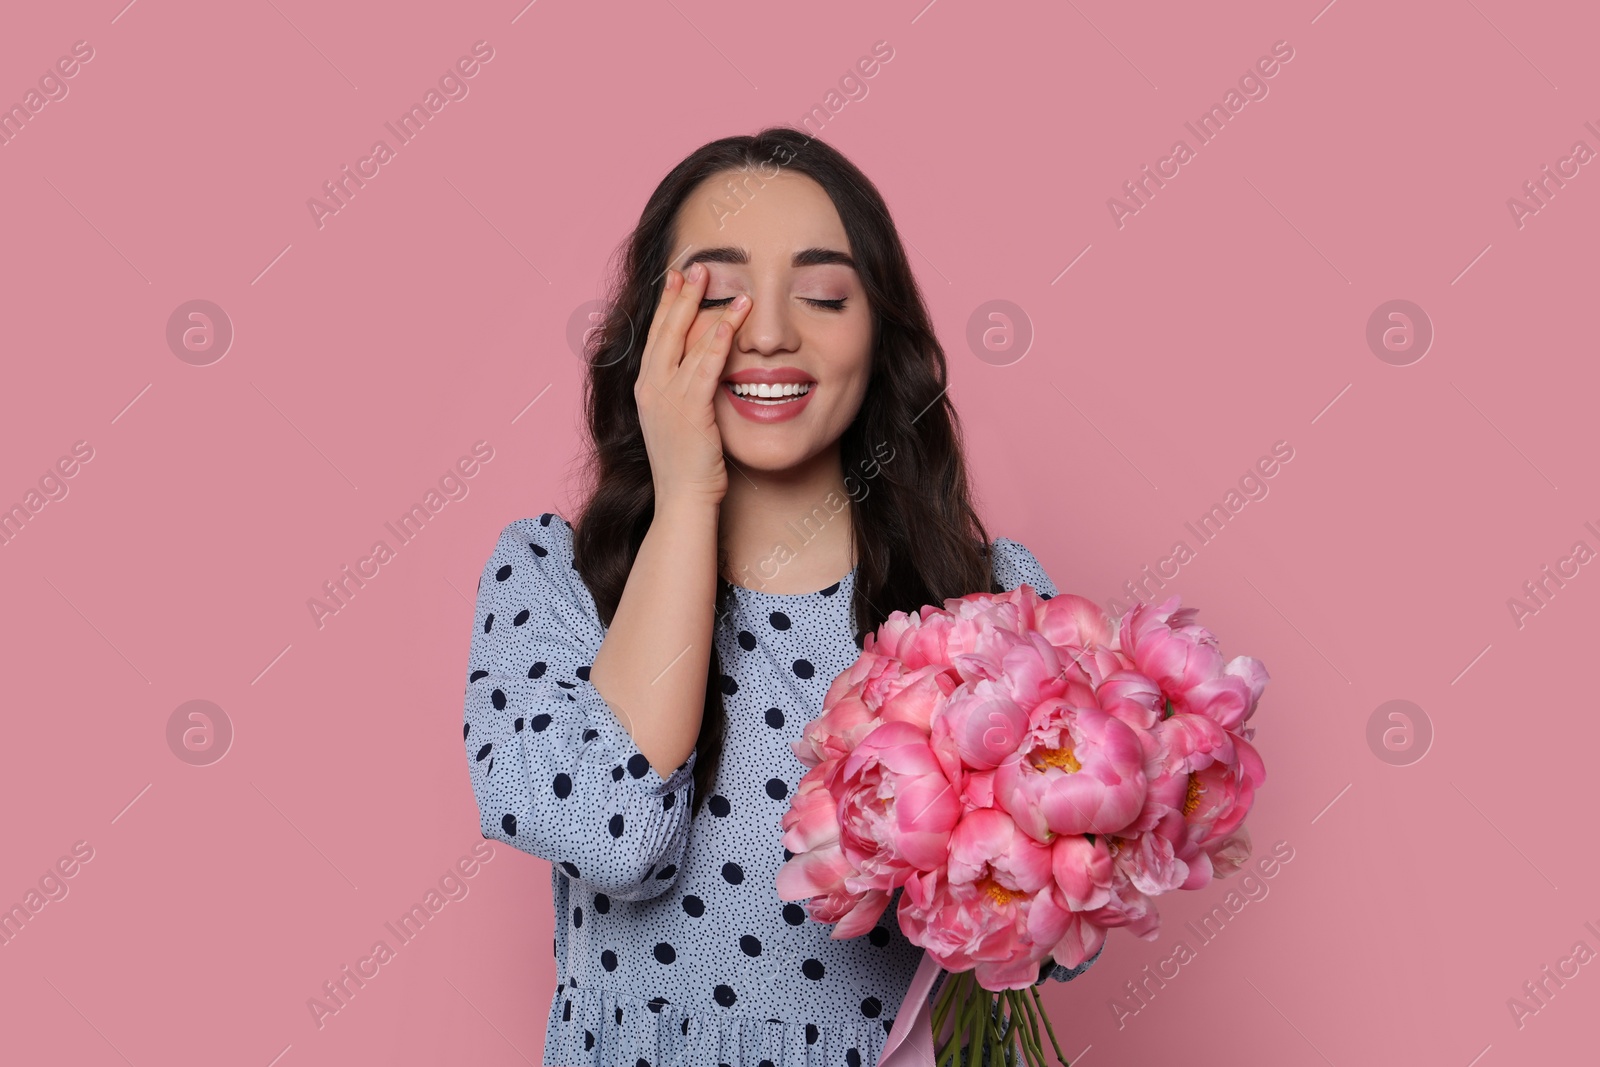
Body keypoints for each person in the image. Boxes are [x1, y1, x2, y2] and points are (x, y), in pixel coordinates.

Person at [462, 127, 1101, 1067]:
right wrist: (687, 495)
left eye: (824, 294)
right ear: (649, 338)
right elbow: (610, 830)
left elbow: (1046, 947)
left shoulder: (993, 605)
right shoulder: (550, 582)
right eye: (715, 296)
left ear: (880, 333)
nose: (766, 332)